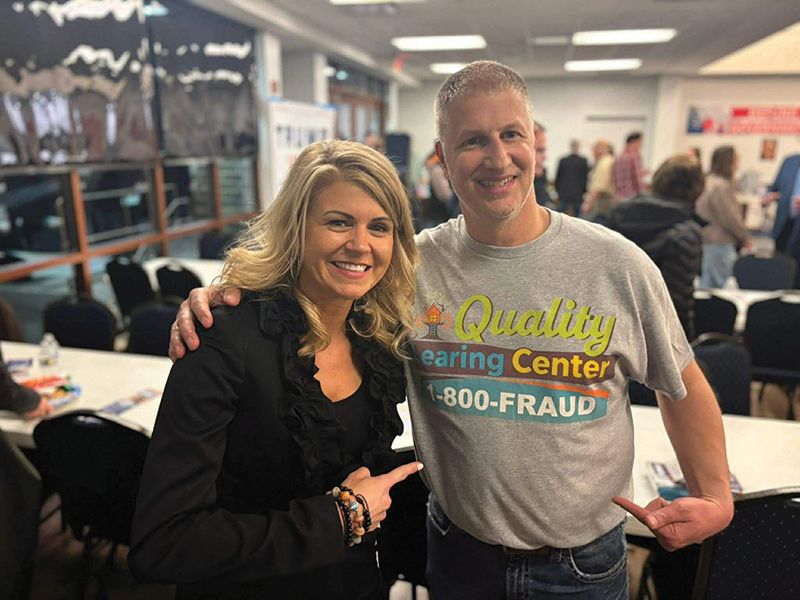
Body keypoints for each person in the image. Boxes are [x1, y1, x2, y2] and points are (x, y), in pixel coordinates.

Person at [172, 62, 733, 599]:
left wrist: (715, 495)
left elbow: (678, 381)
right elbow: (311, 289)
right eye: (472, 141)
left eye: (511, 134)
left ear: (534, 142)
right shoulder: (405, 268)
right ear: (442, 157)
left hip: (580, 564)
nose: (497, 158)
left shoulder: (617, 264)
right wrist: (226, 296)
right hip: (457, 553)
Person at [128, 140, 423, 599]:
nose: (360, 245)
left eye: (379, 227)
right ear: (296, 228)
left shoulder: (378, 338)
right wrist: (340, 518)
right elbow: (163, 543)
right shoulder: (224, 337)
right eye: (338, 222)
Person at [602, 154, 705, 340]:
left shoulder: (616, 216)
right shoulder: (686, 232)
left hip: (604, 332)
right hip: (655, 340)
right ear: (697, 189)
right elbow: (677, 303)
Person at [696, 145, 751, 288]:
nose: (738, 165)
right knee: (721, 287)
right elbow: (730, 217)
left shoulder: (706, 182)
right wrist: (744, 237)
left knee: (707, 286)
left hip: (707, 241)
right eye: (736, 161)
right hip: (720, 242)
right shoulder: (721, 186)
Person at [763, 151, 800, 285]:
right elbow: (774, 187)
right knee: (780, 272)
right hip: (785, 225)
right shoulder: (790, 161)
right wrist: (769, 195)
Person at [554, 139, 589, 217]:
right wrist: (584, 191)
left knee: (560, 215)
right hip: (578, 193)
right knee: (578, 217)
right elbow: (585, 178)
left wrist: (557, 191)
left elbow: (558, 177)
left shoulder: (563, 160)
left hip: (563, 192)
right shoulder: (583, 161)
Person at [583, 139, 615, 219]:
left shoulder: (604, 163)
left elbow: (599, 186)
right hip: (605, 200)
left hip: (601, 202)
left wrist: (587, 203)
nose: (593, 154)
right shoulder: (609, 160)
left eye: (594, 150)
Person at [612, 131, 646, 202]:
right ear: (635, 142)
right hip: (632, 197)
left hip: (618, 196)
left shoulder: (619, 157)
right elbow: (637, 178)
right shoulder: (634, 156)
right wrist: (644, 194)